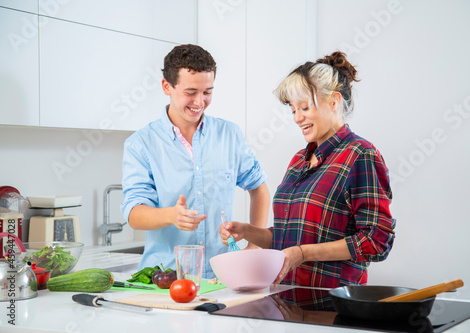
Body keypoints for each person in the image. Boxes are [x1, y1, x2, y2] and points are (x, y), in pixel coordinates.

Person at [219, 51, 395, 288]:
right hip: (285, 303)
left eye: (303, 107)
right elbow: (287, 238)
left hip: (331, 310)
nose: (297, 118)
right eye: (293, 110)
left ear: (333, 102)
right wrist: (248, 231)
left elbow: (376, 241)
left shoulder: (360, 155)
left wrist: (304, 253)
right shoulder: (299, 160)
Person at [121, 44, 270, 278]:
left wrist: (254, 244)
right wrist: (171, 215)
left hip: (222, 276)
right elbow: (134, 214)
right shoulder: (140, 144)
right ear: (166, 86)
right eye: (190, 92)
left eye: (207, 92)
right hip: (164, 278)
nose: (199, 102)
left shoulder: (229, 135)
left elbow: (258, 187)